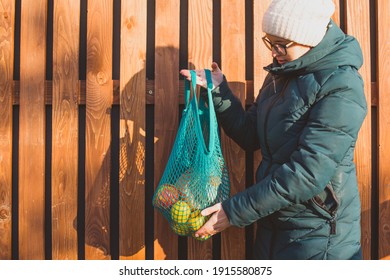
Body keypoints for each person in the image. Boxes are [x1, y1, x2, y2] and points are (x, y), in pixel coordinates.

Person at [180, 0, 367, 260]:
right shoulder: (281, 72)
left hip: (319, 236)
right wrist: (219, 91)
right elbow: (251, 135)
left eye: (282, 44)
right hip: (272, 223)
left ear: (308, 37)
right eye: (270, 42)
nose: (274, 51)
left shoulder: (341, 85)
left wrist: (234, 211)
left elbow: (308, 173)